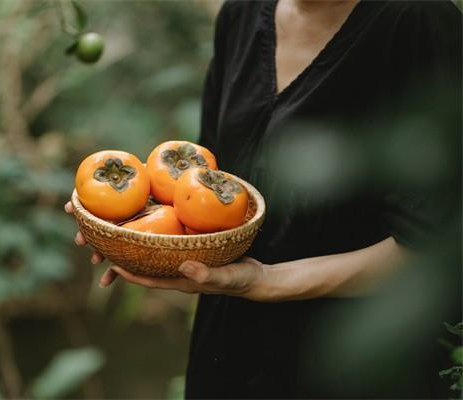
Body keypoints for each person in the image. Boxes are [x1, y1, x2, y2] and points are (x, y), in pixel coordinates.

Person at [65, 0, 462, 397]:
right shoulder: (240, 14)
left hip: (359, 366)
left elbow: (436, 247)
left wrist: (269, 281)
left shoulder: (419, 20)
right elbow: (200, 186)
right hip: (230, 350)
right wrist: (129, 227)